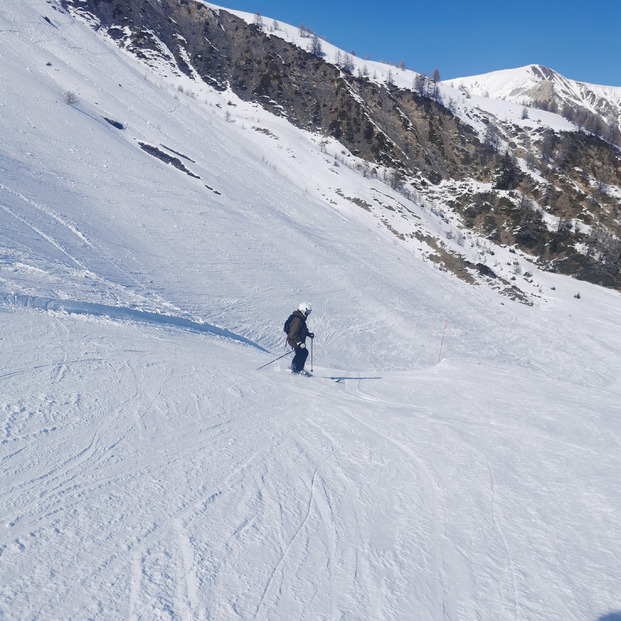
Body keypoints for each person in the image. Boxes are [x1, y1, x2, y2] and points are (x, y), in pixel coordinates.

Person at [286, 302, 314, 374]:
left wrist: (308, 334)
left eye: (309, 312)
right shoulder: (297, 320)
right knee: (304, 353)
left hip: (295, 340)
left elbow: (302, 330)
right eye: (307, 311)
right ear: (303, 310)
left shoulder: (301, 318)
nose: (308, 314)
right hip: (294, 340)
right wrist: (299, 342)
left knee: (299, 353)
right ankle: (298, 369)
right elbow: (293, 334)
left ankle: (294, 367)